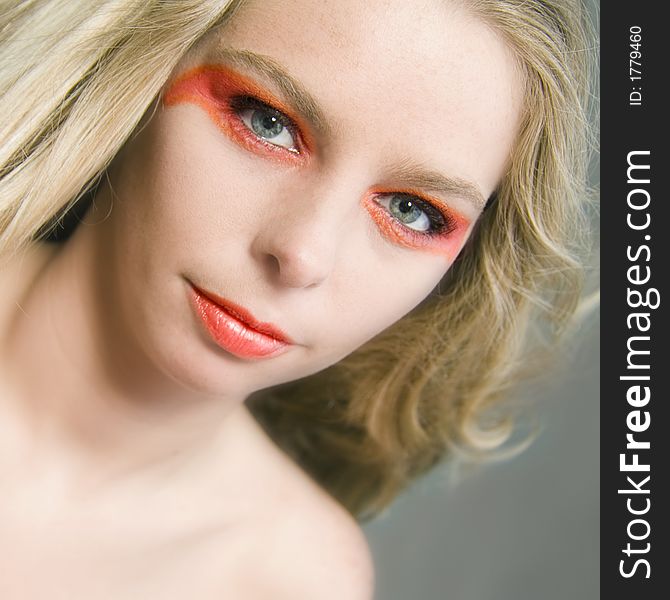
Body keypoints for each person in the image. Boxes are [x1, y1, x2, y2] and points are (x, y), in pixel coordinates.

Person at [0, 0, 595, 597]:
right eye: (267, 122)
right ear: (143, 63)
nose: (304, 255)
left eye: (410, 212)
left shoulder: (293, 580)